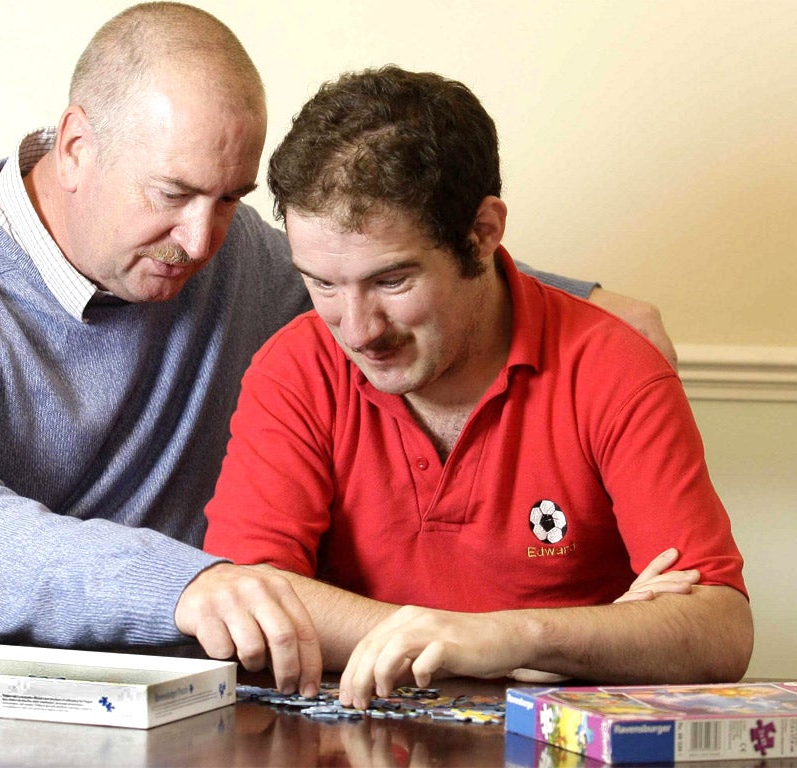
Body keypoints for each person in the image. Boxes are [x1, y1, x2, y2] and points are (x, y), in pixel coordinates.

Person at [0, 3, 676, 749]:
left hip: (142, 709)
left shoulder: (226, 252)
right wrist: (182, 584)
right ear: (77, 145)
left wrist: (585, 303)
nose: (204, 242)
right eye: (172, 195)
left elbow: (375, 264)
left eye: (231, 200)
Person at [202, 66, 753, 710]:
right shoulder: (293, 367)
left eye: (392, 281)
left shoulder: (616, 369)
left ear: (484, 232)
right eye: (321, 284)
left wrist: (509, 637)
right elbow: (244, 602)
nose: (355, 330)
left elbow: (717, 631)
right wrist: (589, 632)